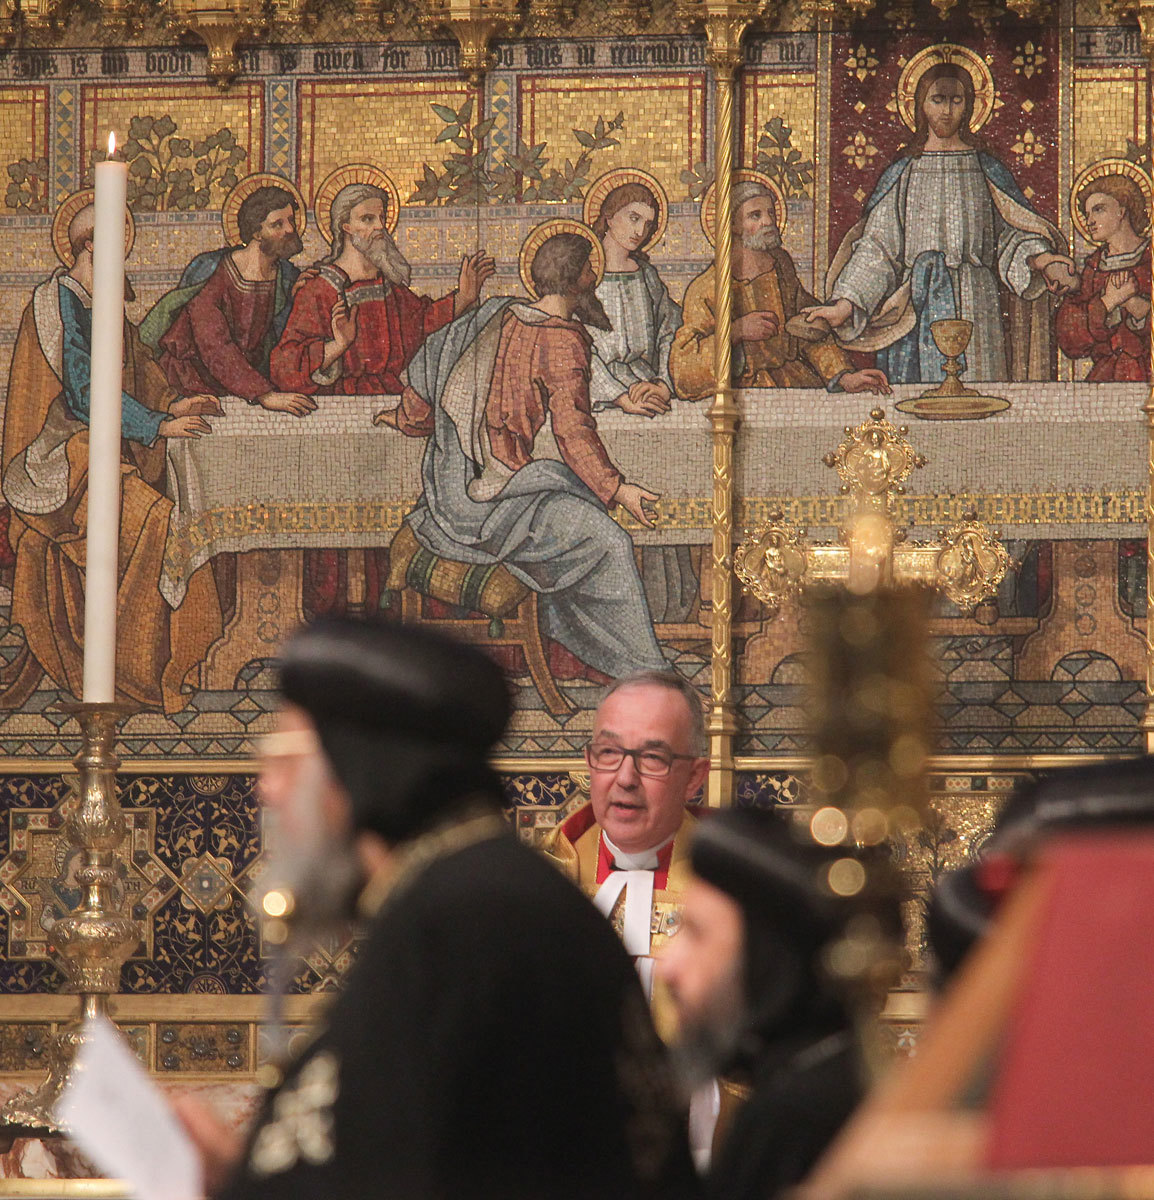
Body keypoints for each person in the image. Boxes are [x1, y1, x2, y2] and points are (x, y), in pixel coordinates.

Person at [182, 618, 700, 1200]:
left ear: (350, 768)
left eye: (283, 757)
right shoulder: (483, 895)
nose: (267, 789)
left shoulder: (459, 925)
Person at [381, 228, 668, 679]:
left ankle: (580, 659)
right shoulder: (562, 339)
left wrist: (404, 420)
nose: (597, 275)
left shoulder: (500, 314)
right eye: (591, 269)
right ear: (577, 281)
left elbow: (428, 378)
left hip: (451, 497)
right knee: (610, 541)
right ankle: (645, 673)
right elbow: (573, 430)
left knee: (577, 511)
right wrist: (619, 489)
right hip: (496, 504)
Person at [0, 197, 222, 712]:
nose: (122, 255)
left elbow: (138, 369)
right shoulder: (58, 302)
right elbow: (85, 390)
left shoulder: (99, 300)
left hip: (99, 446)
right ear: (89, 245)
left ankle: (139, 668)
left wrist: (171, 402)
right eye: (114, 243)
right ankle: (131, 674)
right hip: (56, 455)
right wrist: (158, 424)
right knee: (154, 519)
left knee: (167, 510)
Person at [804, 60, 1075, 383]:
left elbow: (1011, 236)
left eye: (955, 100)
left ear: (969, 106)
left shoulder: (984, 169)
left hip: (976, 303)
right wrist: (846, 304)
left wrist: (1043, 260)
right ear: (920, 105)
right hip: (914, 307)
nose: (946, 111)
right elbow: (877, 249)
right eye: (938, 100)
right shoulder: (905, 171)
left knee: (978, 398)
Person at [657, 808, 868, 1200]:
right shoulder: (802, 1077)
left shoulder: (792, 1118)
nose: (667, 966)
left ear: (764, 961)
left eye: (697, 935)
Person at [543, 669, 709, 1003]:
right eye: (609, 752)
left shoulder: (727, 886)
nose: (625, 778)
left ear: (693, 778)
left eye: (651, 757)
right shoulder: (546, 876)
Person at [670, 180, 890, 400]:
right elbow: (684, 373)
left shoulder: (781, 267)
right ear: (733, 225)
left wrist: (843, 376)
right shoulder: (706, 289)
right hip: (742, 396)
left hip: (795, 384)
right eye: (755, 215)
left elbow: (808, 328)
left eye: (770, 213)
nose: (768, 222)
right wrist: (735, 331)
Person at [270, 182, 494, 395]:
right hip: (340, 405)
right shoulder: (319, 290)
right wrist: (338, 346)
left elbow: (422, 321)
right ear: (345, 226)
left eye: (381, 218)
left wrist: (464, 298)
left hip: (390, 395)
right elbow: (284, 367)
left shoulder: (388, 286)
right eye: (367, 219)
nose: (379, 226)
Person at [142, 182, 316, 415]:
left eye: (291, 221)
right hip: (190, 383)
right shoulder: (218, 274)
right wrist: (264, 394)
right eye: (278, 224)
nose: (289, 230)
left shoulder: (286, 278)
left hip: (243, 386)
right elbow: (214, 345)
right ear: (256, 232)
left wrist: (298, 300)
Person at [587, 178, 681, 417]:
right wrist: (617, 396)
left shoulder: (647, 276)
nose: (640, 231)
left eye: (647, 224)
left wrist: (662, 385)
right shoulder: (584, 274)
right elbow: (575, 345)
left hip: (646, 386)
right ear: (609, 216)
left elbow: (669, 330)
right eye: (633, 218)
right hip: (598, 392)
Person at [1056, 172, 1151, 381]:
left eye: (1099, 210)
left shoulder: (1149, 259)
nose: (1090, 221)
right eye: (1087, 213)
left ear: (1122, 210)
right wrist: (1108, 302)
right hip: (1105, 377)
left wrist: (1139, 309)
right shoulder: (1093, 269)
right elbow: (1069, 338)